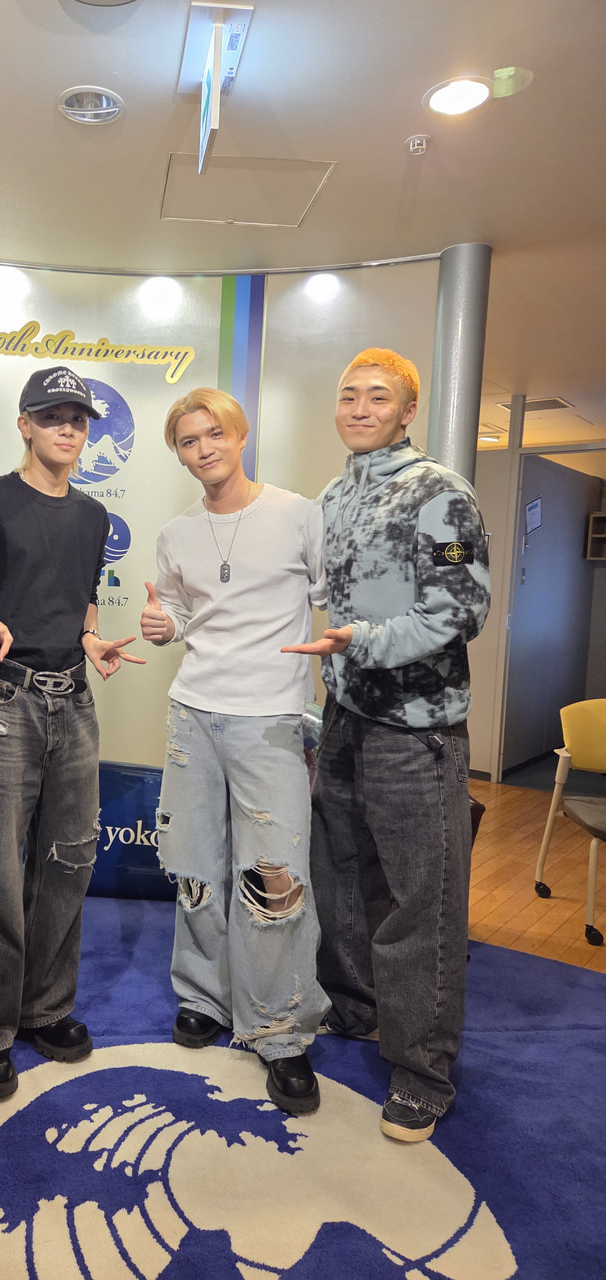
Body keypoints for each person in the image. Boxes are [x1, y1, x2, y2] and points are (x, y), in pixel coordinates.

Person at [283, 348, 490, 1143]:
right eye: (350, 396)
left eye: (379, 397)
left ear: (408, 412)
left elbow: (460, 610)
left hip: (418, 730)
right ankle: (355, 1007)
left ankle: (422, 1071)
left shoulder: (439, 491)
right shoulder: (333, 497)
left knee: (420, 903)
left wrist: (361, 642)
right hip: (345, 718)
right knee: (340, 878)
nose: (361, 408)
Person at [0, 365, 144, 1102]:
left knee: (68, 861)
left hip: (74, 700)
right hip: (5, 700)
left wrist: (89, 638)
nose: (68, 428)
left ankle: (45, 1008)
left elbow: (82, 598)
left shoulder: (93, 516)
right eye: (52, 416)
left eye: (78, 419)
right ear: (24, 425)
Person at [139, 387, 329, 1115]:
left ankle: (279, 1029)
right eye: (188, 441)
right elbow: (178, 612)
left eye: (213, 434)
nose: (203, 449)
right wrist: (164, 625)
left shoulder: (297, 513)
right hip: (193, 713)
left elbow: (332, 596)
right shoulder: (177, 532)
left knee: (274, 878)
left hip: (271, 720)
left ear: (240, 435)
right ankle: (204, 997)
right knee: (194, 866)